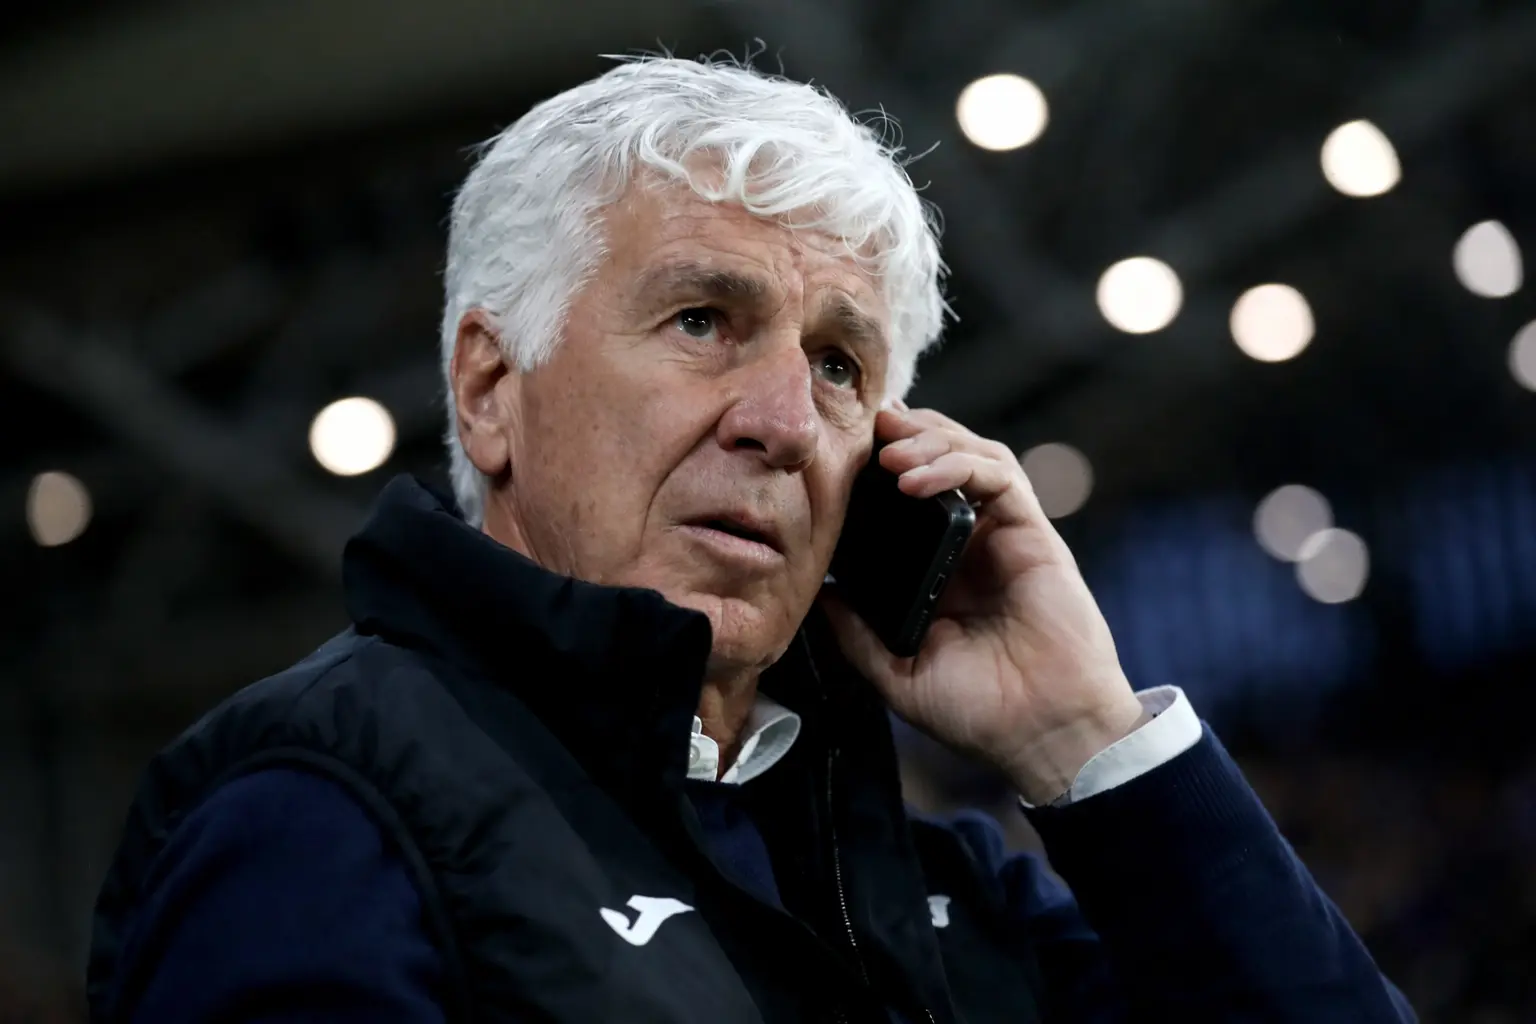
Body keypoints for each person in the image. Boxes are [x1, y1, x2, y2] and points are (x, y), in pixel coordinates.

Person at [86, 56, 1415, 1023]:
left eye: (839, 364)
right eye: (702, 322)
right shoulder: (320, 816)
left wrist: (1088, 745)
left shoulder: (947, 892)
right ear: (491, 390)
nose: (785, 422)